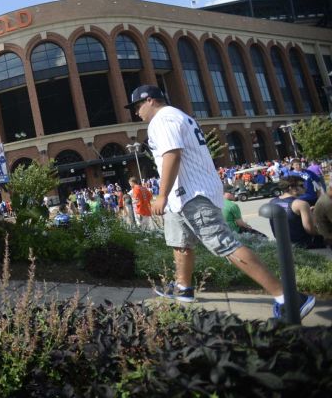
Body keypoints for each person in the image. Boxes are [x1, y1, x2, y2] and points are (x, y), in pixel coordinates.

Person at [125, 84, 314, 318]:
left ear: (151, 100)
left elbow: (172, 154)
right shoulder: (176, 116)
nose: (136, 112)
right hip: (183, 193)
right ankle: (183, 287)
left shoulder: (162, 118)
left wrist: (161, 195)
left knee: (225, 244)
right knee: (179, 241)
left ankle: (289, 297)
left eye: (137, 105)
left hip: (192, 192)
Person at [269, 176, 325, 249]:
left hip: (283, 244)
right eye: (301, 185)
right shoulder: (301, 204)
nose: (305, 188)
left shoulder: (272, 202)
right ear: (291, 188)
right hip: (302, 244)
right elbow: (310, 230)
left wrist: (308, 211)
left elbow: (289, 216)